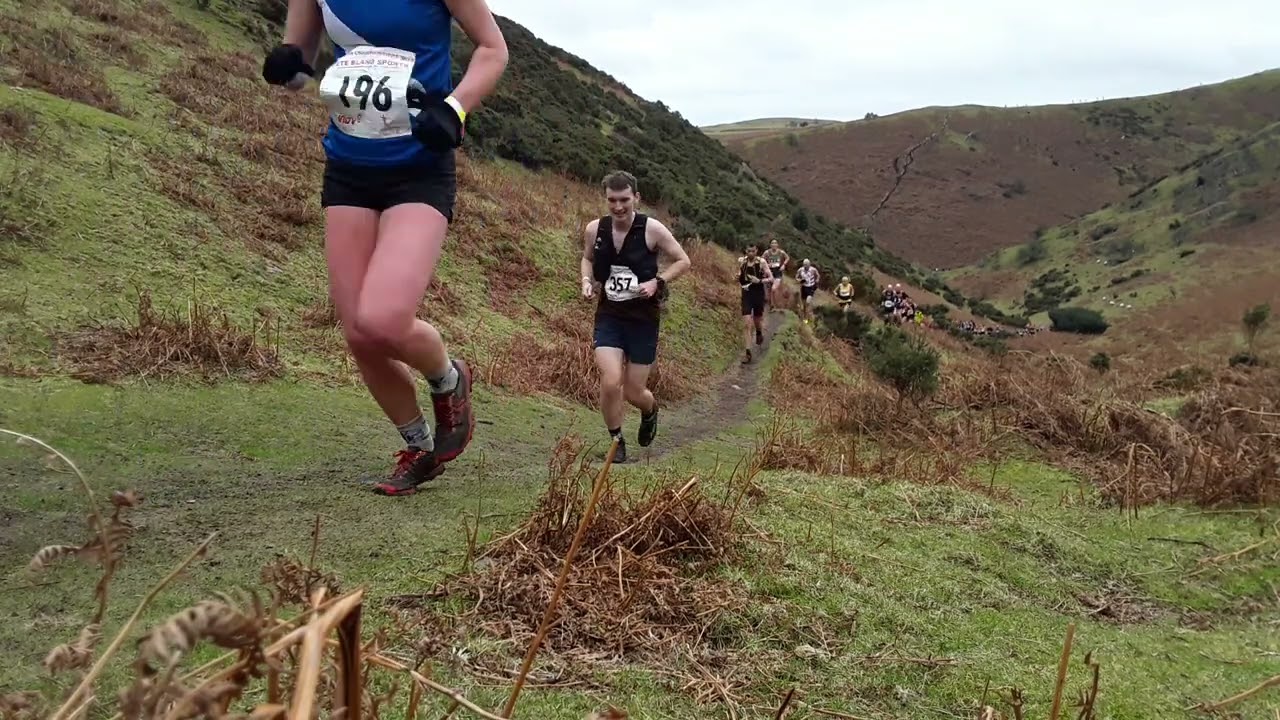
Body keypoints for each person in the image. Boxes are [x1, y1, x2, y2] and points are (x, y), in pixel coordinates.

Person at [260, 0, 509, 496]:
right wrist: (288, 65)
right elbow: (302, 64)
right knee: (359, 333)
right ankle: (418, 449)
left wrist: (455, 107)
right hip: (349, 168)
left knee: (385, 319)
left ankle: (448, 379)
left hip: (420, 167)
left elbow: (492, 49)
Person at [581, 171, 691, 463]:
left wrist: (658, 281)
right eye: (612, 200)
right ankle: (616, 441)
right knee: (610, 380)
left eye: (624, 200)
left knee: (633, 391)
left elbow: (683, 261)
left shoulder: (652, 229)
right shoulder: (595, 229)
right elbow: (587, 258)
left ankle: (650, 410)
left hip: (643, 320)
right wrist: (586, 280)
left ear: (636, 198)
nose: (618, 207)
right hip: (610, 316)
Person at [738, 243, 771, 363]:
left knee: (757, 320)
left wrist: (760, 280)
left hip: (758, 294)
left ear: (756, 251)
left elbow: (771, 278)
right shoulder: (742, 261)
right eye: (748, 251)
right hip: (746, 293)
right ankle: (748, 353)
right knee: (747, 324)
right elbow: (740, 274)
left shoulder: (761, 262)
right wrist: (737, 277)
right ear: (745, 251)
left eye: (753, 251)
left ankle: (758, 332)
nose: (750, 253)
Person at [761, 239, 789, 312]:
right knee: (769, 291)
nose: (774, 244)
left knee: (774, 288)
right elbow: (761, 260)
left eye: (775, 243)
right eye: (772, 243)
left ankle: (775, 305)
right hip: (769, 273)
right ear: (770, 245)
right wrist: (767, 265)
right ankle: (771, 305)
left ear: (777, 245)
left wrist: (784, 265)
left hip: (778, 273)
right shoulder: (767, 253)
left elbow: (787, 258)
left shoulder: (781, 252)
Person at [796, 259, 820, 324]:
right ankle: (805, 316)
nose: (806, 266)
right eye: (804, 265)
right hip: (804, 288)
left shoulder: (813, 270)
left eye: (807, 265)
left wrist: (817, 280)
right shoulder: (800, 270)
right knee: (804, 305)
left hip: (811, 287)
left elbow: (818, 275)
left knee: (807, 302)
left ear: (809, 264)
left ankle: (806, 319)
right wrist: (799, 280)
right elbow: (796, 277)